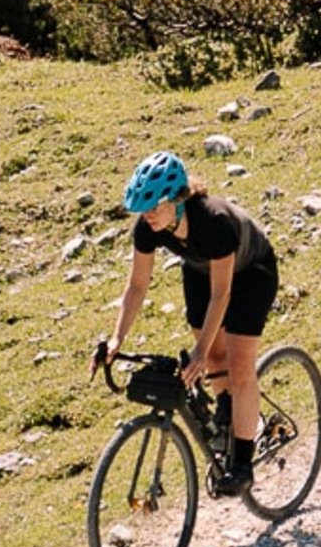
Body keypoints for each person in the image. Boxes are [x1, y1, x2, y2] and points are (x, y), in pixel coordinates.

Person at [98, 152, 281, 495]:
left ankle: (242, 464)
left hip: (251, 272)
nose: (148, 215)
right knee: (212, 359)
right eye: (143, 208)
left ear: (178, 198)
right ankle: (227, 411)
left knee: (239, 365)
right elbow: (137, 286)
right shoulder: (148, 228)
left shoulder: (212, 220)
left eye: (155, 206)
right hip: (200, 271)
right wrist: (116, 338)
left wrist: (197, 349)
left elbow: (222, 294)